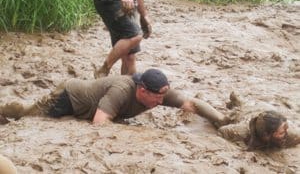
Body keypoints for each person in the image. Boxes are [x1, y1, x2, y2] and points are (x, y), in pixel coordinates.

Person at [0, 69, 229, 128]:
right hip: (68, 97)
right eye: (157, 99)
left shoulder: (158, 93)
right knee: (27, 116)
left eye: (163, 97)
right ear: (142, 90)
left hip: (84, 103)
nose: (161, 103)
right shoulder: (122, 89)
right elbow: (100, 123)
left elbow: (193, 104)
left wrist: (221, 120)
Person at [218, 92, 300, 150]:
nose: (286, 134)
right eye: (282, 133)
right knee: (231, 115)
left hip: (265, 108)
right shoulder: (244, 131)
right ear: (266, 135)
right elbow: (222, 131)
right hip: (249, 111)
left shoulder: (292, 136)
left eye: (286, 129)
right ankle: (236, 98)